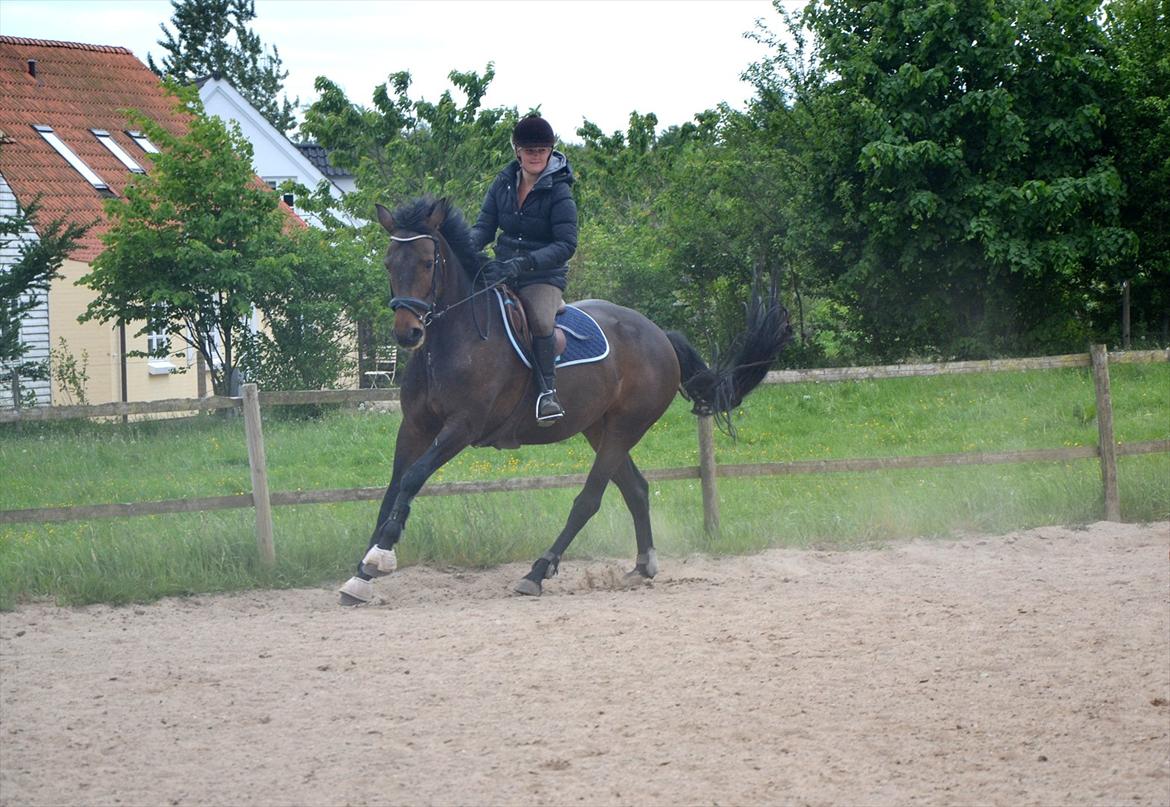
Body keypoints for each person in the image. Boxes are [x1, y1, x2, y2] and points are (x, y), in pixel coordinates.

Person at [470, 114, 578, 425]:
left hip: (543, 275)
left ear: (550, 151)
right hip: (502, 269)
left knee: (540, 321)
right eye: (529, 150)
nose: (536, 156)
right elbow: (484, 229)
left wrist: (526, 262)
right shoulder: (502, 184)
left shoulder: (559, 191)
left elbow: (566, 244)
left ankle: (547, 394)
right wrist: (461, 247)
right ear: (517, 150)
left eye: (542, 150)